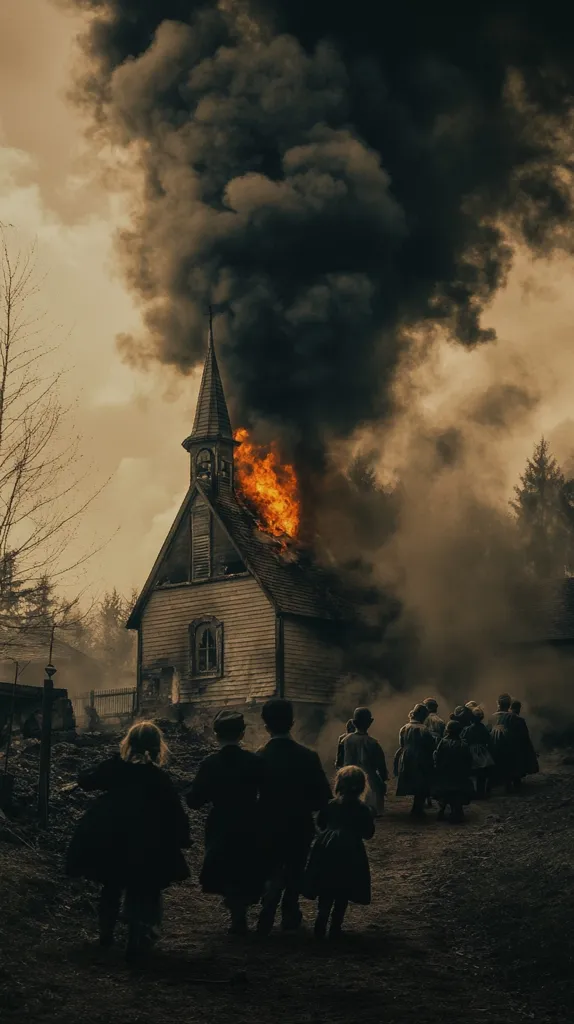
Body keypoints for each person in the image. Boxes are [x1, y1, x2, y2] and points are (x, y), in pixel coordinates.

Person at [65, 720, 190, 961]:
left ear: (128, 744)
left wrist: (83, 777)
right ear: (156, 748)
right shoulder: (158, 778)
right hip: (147, 841)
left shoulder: (115, 767)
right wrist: (182, 837)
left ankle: (106, 935)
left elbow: (89, 780)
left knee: (111, 886)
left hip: (112, 837)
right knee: (141, 889)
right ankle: (136, 937)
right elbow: (174, 809)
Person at [186, 709, 267, 936]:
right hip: (249, 819)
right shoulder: (254, 761)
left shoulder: (210, 764)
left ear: (215, 735)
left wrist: (189, 792)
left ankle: (236, 913)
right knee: (245, 865)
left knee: (227, 865)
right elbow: (267, 791)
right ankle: (240, 912)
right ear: (242, 734)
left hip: (221, 821)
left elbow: (195, 801)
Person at [256, 698, 332, 936]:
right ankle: (290, 910)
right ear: (292, 723)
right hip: (299, 824)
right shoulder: (308, 756)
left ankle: (268, 902)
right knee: (296, 867)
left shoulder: (258, 757)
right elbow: (322, 797)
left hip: (268, 824)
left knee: (271, 867)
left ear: (265, 726)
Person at [303, 766, 375, 939]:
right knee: (343, 888)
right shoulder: (363, 809)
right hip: (351, 850)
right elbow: (368, 833)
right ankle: (335, 927)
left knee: (326, 887)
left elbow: (320, 824)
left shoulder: (330, 805)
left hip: (326, 848)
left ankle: (320, 923)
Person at [336, 707, 388, 817]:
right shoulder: (372, 743)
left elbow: (340, 759)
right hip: (369, 781)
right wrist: (383, 778)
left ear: (354, 722)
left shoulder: (345, 740)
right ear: (370, 722)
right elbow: (380, 764)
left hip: (348, 777)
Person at [394, 703, 436, 817]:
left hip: (407, 756)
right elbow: (431, 745)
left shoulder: (404, 728)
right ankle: (418, 808)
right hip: (420, 756)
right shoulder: (424, 729)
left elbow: (401, 743)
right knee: (421, 781)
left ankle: (416, 807)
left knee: (412, 779)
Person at [432, 719, 474, 822]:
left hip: (445, 774)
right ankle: (457, 811)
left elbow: (437, 757)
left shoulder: (442, 742)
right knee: (458, 793)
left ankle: (441, 811)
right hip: (458, 775)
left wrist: (437, 769)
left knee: (444, 794)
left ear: (447, 730)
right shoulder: (463, 745)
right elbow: (468, 760)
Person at [488, 693, 520, 792]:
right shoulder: (513, 717)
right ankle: (509, 784)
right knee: (509, 765)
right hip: (508, 746)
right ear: (509, 704)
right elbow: (517, 735)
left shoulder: (492, 717)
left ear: (498, 703)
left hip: (494, 746)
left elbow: (487, 732)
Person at [461, 707, 495, 798]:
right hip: (482, 751)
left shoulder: (467, 729)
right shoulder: (483, 728)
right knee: (481, 773)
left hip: (471, 751)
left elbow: (464, 739)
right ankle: (481, 792)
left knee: (472, 773)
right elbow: (488, 739)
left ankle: (473, 792)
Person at [510, 700, 539, 786]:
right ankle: (516, 782)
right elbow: (524, 735)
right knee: (518, 764)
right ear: (518, 709)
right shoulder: (519, 720)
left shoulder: (506, 718)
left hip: (509, 745)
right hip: (517, 746)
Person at [422, 697, 445, 807]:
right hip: (437, 747)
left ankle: (427, 798)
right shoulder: (440, 721)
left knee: (425, 771)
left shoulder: (423, 719)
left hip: (426, 747)